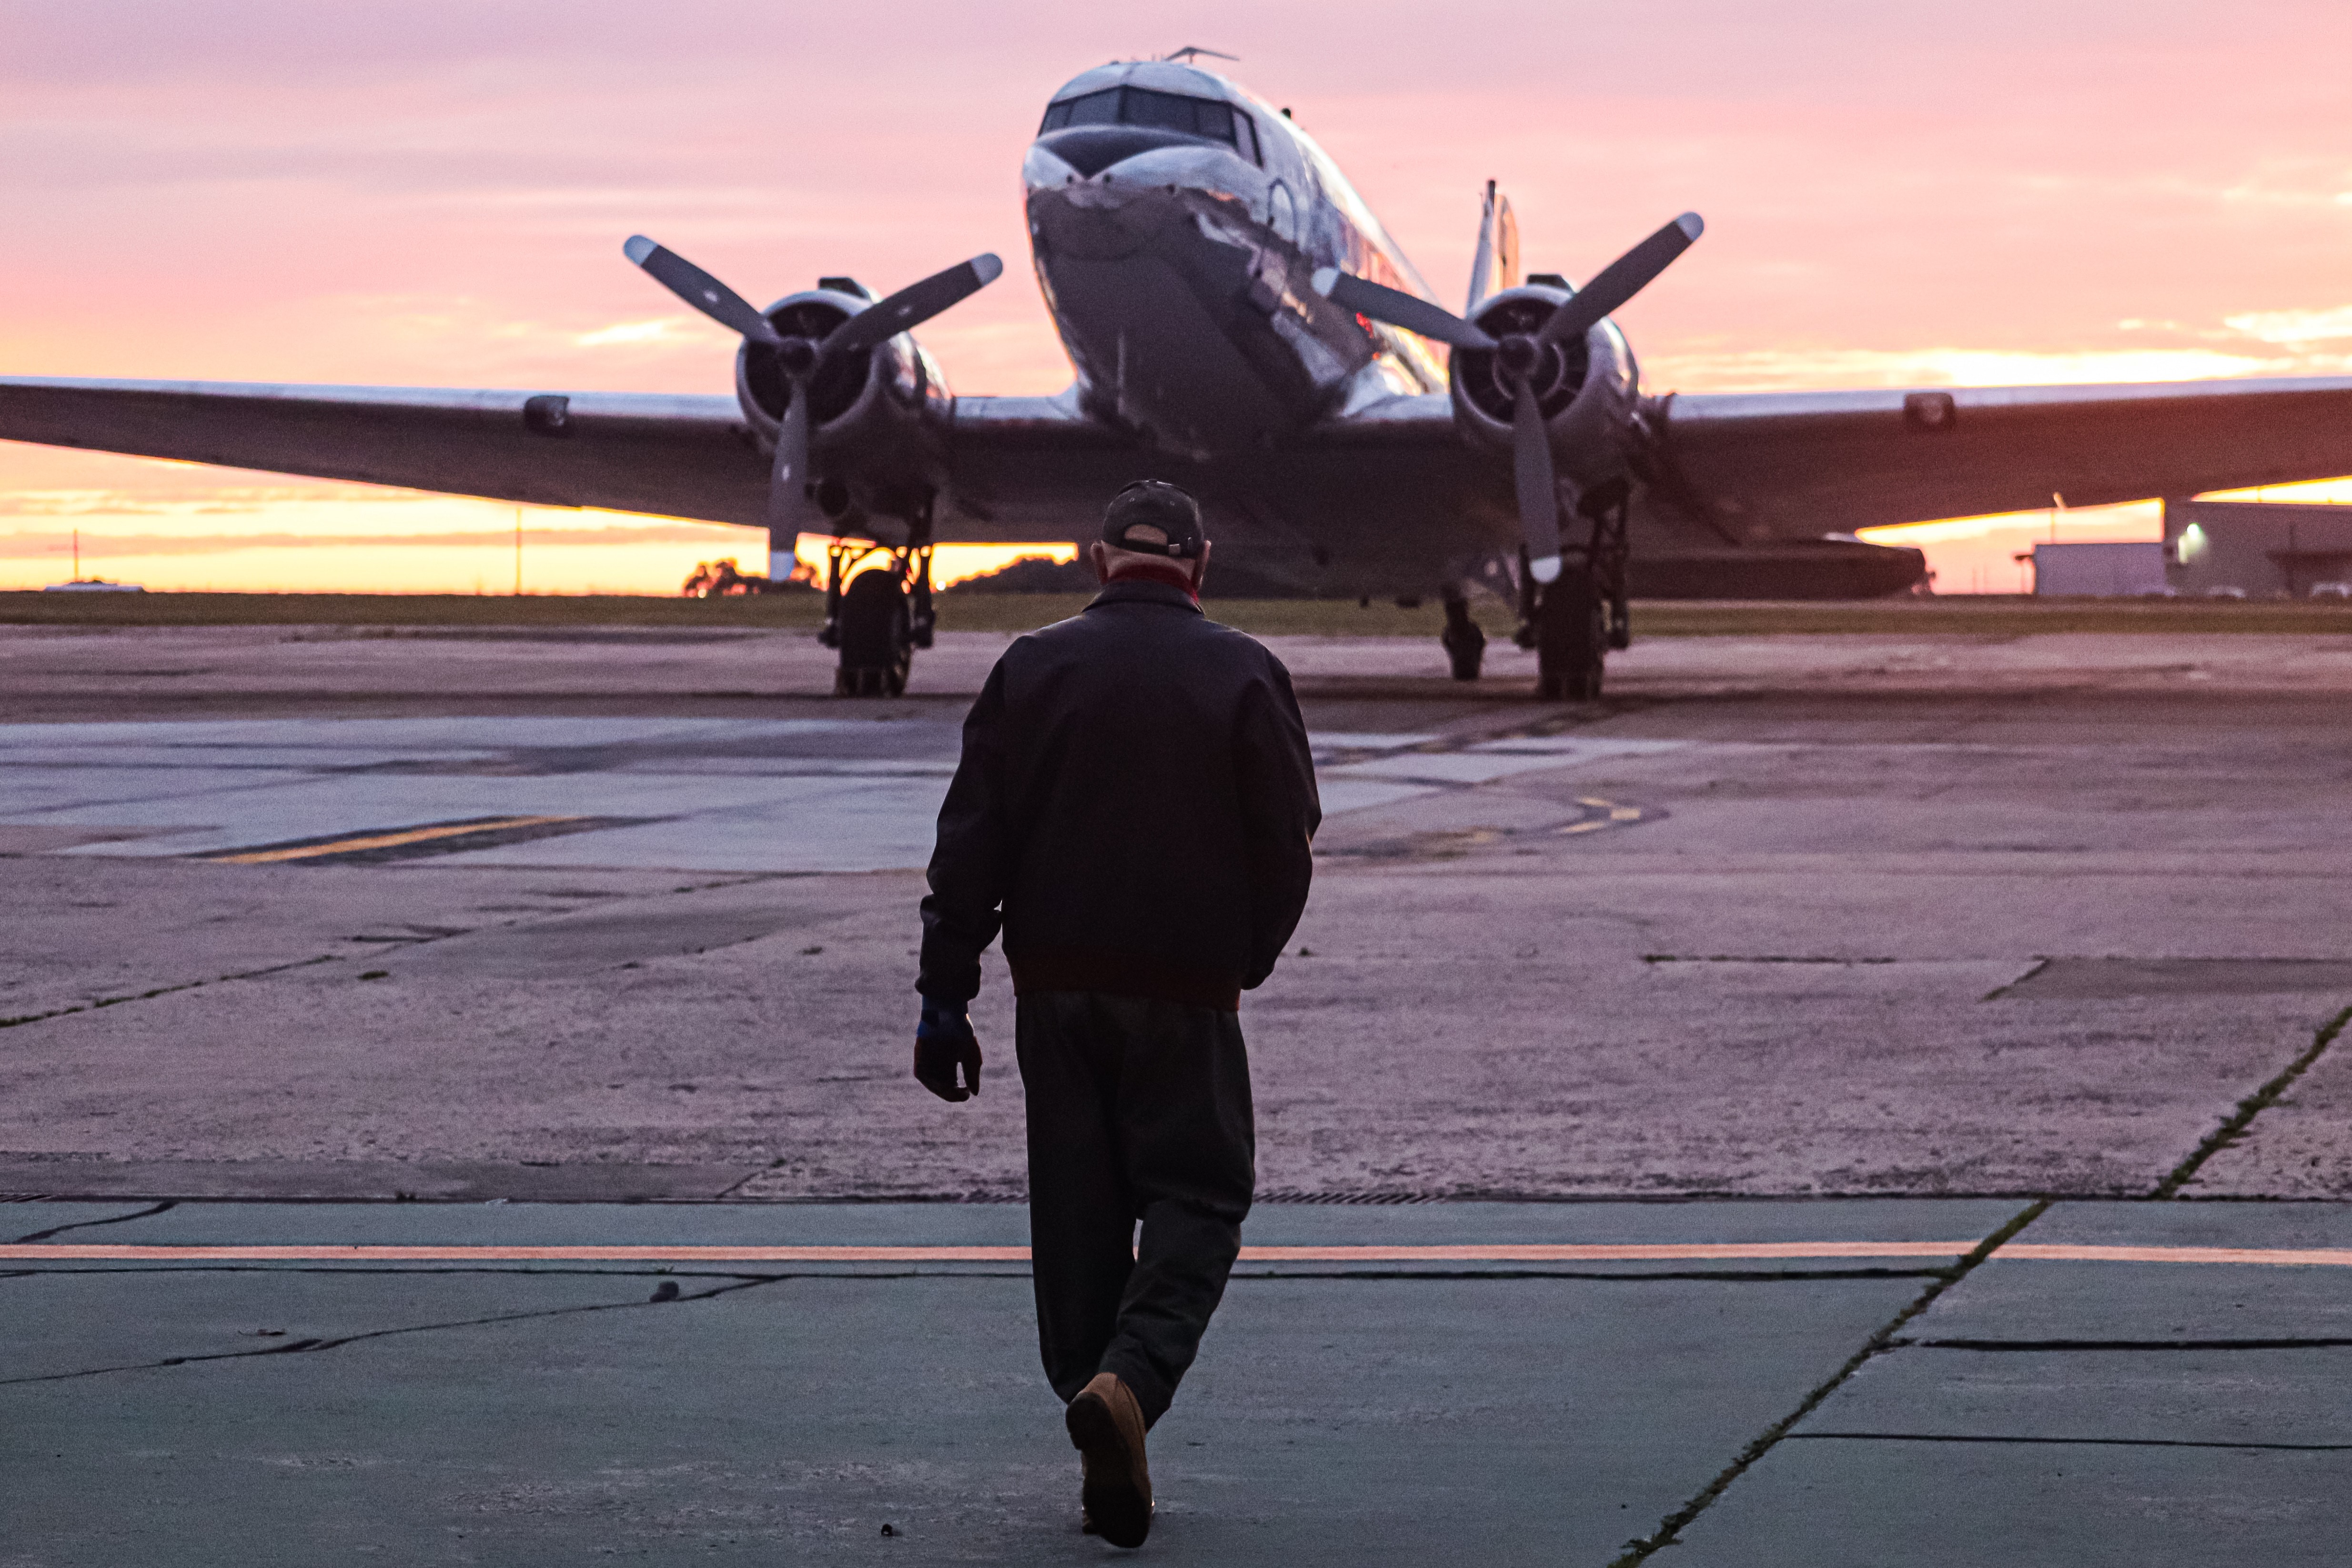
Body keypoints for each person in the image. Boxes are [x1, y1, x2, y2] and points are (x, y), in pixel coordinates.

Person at [914, 480, 1321, 1549]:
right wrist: (1247, 957)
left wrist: (942, 992)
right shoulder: (1247, 671)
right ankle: (1128, 1387)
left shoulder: (1031, 667)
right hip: (1188, 994)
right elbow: (1287, 842)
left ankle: (1095, 1397)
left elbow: (971, 844)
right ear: (1202, 564)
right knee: (1200, 1194)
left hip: (1054, 991)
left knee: (1078, 1217)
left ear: (1098, 562)